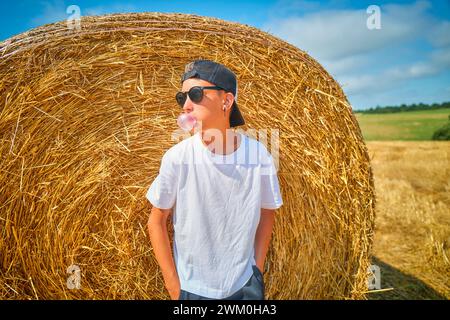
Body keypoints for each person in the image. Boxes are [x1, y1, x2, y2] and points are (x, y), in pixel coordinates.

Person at [146, 59, 283, 300]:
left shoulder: (258, 155)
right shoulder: (177, 158)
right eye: (182, 97)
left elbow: (267, 213)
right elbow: (156, 220)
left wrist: (256, 273)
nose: (186, 106)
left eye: (196, 94)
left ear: (226, 101)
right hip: (192, 291)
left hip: (245, 288)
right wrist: (176, 290)